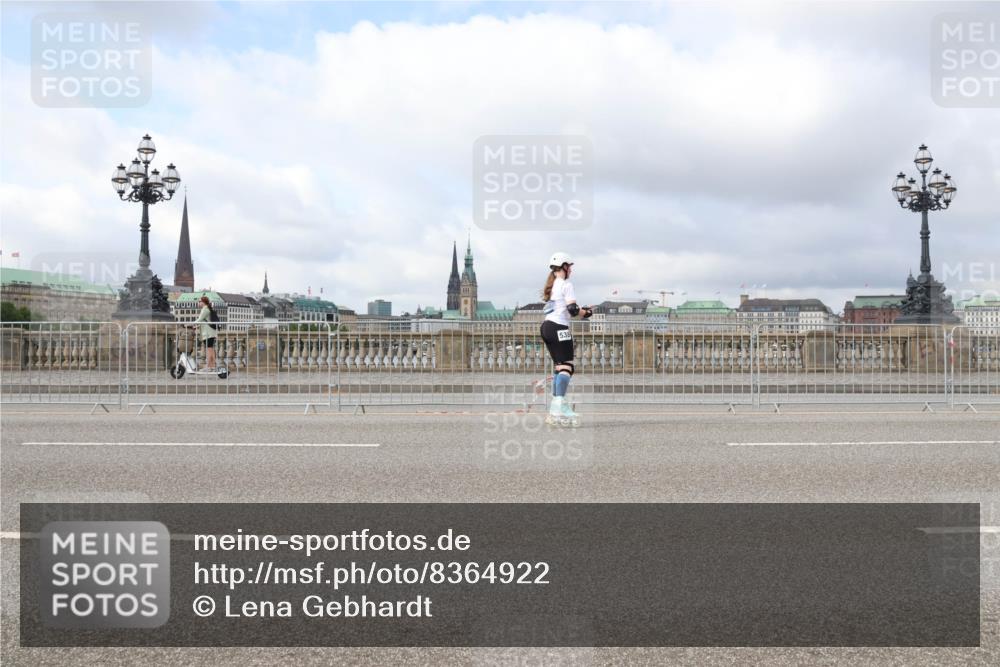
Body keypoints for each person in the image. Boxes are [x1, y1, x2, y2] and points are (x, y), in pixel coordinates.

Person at [540, 252, 592, 426]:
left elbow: (564, 308)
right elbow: (572, 310)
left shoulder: (553, 284)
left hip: (546, 327)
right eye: (569, 266)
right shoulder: (566, 284)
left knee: (559, 368)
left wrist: (580, 310)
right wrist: (586, 313)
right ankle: (558, 408)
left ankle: (555, 411)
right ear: (563, 266)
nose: (570, 270)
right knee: (567, 368)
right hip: (559, 328)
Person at [193, 295, 219, 370]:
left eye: (199, 301)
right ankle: (212, 365)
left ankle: (210, 366)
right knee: (210, 349)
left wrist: (188, 324)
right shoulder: (208, 308)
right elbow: (205, 321)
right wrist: (196, 326)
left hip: (208, 333)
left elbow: (199, 319)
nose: (198, 303)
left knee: (209, 350)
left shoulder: (205, 309)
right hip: (210, 332)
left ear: (203, 302)